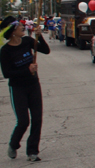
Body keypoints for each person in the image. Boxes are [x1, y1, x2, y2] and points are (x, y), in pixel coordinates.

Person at [0, 16, 50, 162]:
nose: (23, 27)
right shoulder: (5, 51)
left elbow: (46, 51)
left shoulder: (28, 41)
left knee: (37, 119)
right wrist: (27, 70)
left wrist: (39, 37)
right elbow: (7, 73)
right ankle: (13, 144)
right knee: (23, 121)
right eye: (19, 26)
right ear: (12, 31)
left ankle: (32, 151)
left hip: (33, 84)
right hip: (18, 88)